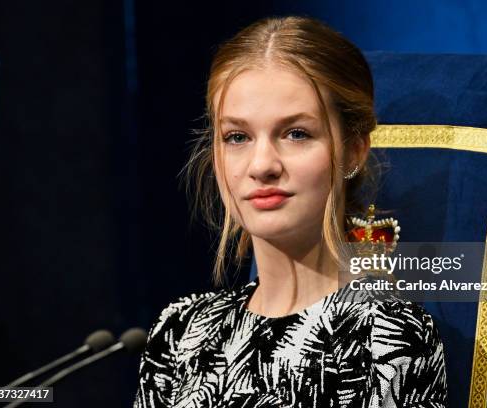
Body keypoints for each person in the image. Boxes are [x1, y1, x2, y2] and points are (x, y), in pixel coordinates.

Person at [134, 16, 447, 408]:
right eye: (237, 137)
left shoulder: (385, 339)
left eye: (296, 133)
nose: (262, 164)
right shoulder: (179, 330)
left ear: (353, 150)